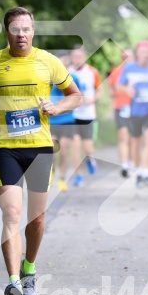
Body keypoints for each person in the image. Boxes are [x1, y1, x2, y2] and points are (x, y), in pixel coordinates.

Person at [0, 7, 82, 295]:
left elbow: (76, 95)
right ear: (7, 33)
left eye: (26, 29)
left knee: (37, 219)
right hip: (7, 148)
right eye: (15, 30)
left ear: (34, 32)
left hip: (40, 149)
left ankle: (29, 268)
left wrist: (57, 108)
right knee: (11, 215)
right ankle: (14, 281)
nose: (21, 35)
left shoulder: (49, 61)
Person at [118, 40, 148, 188]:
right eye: (143, 52)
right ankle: (138, 173)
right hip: (135, 111)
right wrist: (127, 90)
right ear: (137, 53)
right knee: (136, 144)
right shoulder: (129, 68)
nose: (145, 55)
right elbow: (119, 85)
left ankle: (147, 173)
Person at [69, 45, 102, 187]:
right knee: (75, 145)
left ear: (85, 57)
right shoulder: (66, 72)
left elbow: (100, 91)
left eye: (80, 57)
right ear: (71, 57)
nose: (77, 60)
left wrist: (92, 100)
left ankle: (90, 159)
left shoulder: (92, 72)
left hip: (88, 115)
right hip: (72, 115)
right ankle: (78, 175)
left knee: (87, 147)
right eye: (75, 57)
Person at [50, 50, 81, 192]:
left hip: (67, 120)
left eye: (65, 61)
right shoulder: (48, 79)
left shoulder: (73, 78)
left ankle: (62, 179)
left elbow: (78, 98)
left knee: (63, 152)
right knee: (51, 150)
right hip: (52, 121)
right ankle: (52, 172)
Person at [108, 48, 134, 178]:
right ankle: (124, 165)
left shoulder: (138, 70)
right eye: (124, 57)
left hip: (136, 108)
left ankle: (130, 161)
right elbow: (111, 89)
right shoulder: (116, 72)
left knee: (132, 137)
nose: (126, 59)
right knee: (123, 135)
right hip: (121, 107)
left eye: (129, 56)